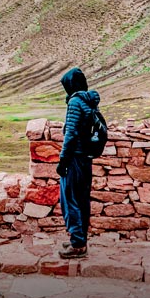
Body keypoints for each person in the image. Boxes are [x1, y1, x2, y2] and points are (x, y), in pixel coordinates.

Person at [56, 67, 100, 259]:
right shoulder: (89, 101)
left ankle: (77, 244)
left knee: (70, 199)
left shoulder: (75, 102)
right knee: (82, 200)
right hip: (85, 159)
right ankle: (80, 239)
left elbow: (71, 136)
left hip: (74, 158)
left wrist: (62, 160)